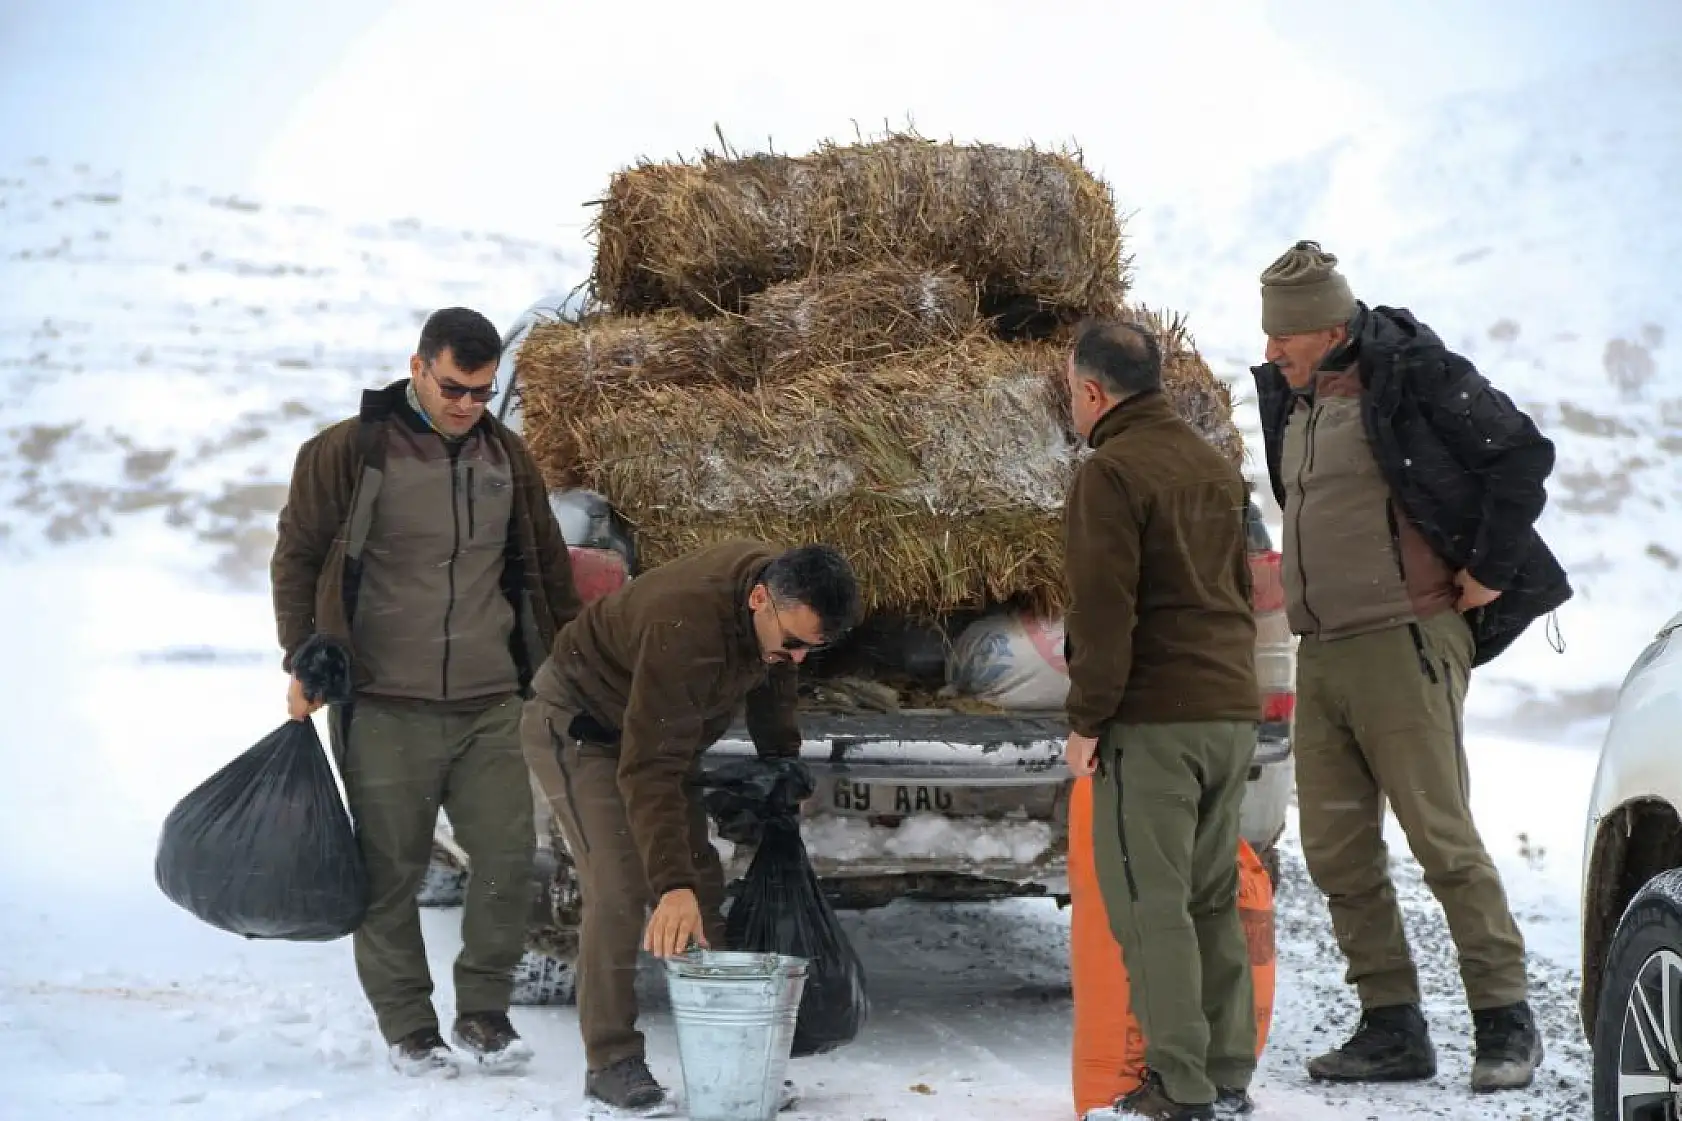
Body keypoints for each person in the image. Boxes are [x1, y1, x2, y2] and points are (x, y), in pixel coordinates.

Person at [1251, 241, 1571, 1093]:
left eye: (1284, 338)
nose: (1271, 352)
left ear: (1327, 325)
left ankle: (1506, 1021)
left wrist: (1492, 570)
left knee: (1442, 839)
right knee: (1336, 852)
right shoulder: (1294, 397)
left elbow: (1522, 455)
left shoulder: (1410, 370)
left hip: (1405, 642)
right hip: (1321, 652)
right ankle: (1391, 1027)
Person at [271, 307, 582, 1077]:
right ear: (417, 369)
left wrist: (572, 664)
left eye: (481, 391)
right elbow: (297, 555)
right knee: (390, 873)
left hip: (489, 699)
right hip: (383, 701)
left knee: (511, 857)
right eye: (453, 387)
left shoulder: (507, 456)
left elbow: (545, 565)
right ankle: (410, 1026)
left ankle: (483, 1013)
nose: (467, 404)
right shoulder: (348, 451)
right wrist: (304, 653)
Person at [520, 539, 861, 1113]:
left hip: (656, 739)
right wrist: (669, 886)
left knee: (703, 885)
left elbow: (774, 679)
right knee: (624, 883)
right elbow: (647, 767)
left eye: (813, 649)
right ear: (759, 599)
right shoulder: (686, 625)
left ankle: (736, 1052)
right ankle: (611, 1060)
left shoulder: (775, 607)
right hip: (583, 729)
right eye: (795, 643)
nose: (799, 658)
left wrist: (781, 761)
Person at [1062, 319, 1262, 1121]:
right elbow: (1242, 591)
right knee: (1211, 897)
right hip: (1229, 711)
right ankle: (1227, 1070)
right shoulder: (1213, 465)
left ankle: (1179, 1088)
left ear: (1091, 391)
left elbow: (1104, 612)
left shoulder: (1110, 473)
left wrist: (1087, 718)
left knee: (1151, 900)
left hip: (1155, 720)